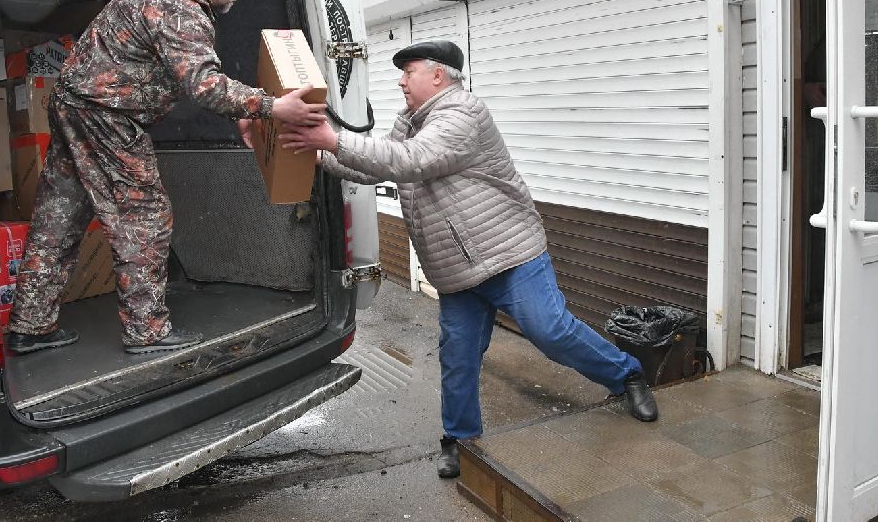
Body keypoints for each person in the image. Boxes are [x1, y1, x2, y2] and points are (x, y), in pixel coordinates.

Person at [279, 39, 657, 479]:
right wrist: (319, 151)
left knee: (549, 329)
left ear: (438, 76)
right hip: (456, 270)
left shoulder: (463, 113)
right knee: (457, 356)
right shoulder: (411, 121)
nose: (401, 81)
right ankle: (459, 439)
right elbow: (374, 166)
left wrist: (334, 136)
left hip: (509, 253)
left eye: (409, 72)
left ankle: (627, 375)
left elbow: (411, 161)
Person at [6, 0, 326, 355]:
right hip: (108, 115)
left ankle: (29, 324)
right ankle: (147, 331)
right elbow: (204, 86)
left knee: (60, 214)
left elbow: (193, 73)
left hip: (75, 106)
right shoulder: (180, 10)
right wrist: (271, 106)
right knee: (145, 218)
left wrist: (242, 112)